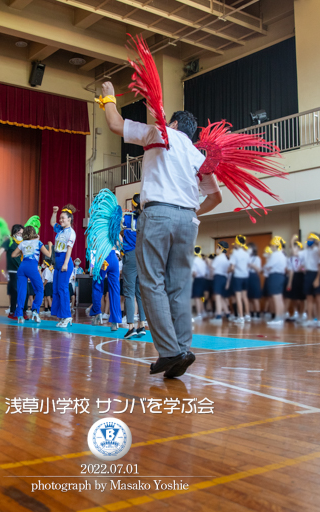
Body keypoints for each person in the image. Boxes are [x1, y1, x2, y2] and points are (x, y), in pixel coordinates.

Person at [101, 81, 222, 378]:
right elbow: (216, 196)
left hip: (158, 214)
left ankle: (170, 352)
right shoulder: (197, 155)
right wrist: (193, 211)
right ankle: (182, 348)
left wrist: (107, 98)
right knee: (178, 287)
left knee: (151, 281)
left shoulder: (160, 133)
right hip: (188, 220)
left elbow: (116, 124)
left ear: (175, 123)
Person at [121, 194, 148, 339]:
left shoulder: (127, 218)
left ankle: (131, 326)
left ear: (132, 205)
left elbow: (114, 227)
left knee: (129, 293)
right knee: (140, 293)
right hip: (143, 256)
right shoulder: (146, 218)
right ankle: (142, 325)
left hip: (131, 255)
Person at [11, 226, 51, 323]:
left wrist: (21, 253)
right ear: (34, 233)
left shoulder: (22, 243)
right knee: (40, 289)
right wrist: (49, 245)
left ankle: (19, 315)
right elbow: (49, 255)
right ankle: (35, 311)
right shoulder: (38, 242)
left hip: (22, 267)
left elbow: (13, 255)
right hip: (32, 267)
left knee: (21, 291)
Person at [49, 204, 77, 328]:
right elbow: (51, 223)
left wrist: (65, 263)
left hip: (65, 260)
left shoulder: (71, 232)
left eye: (63, 218)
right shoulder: (60, 230)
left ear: (69, 219)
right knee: (56, 289)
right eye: (60, 218)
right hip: (58, 260)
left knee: (63, 289)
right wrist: (54, 212)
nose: (60, 220)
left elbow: (69, 249)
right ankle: (61, 316)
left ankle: (67, 316)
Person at [1, 224, 24, 320]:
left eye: (22, 234)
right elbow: (1, 250)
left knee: (22, 291)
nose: (20, 235)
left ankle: (22, 311)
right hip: (13, 270)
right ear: (14, 232)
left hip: (22, 270)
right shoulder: (9, 241)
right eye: (18, 233)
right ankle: (12, 311)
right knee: (14, 291)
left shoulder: (24, 242)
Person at [264, 237, 288, 327]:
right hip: (281, 276)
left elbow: (268, 266)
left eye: (272, 245)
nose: (271, 247)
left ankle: (278, 317)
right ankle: (280, 317)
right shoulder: (282, 254)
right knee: (279, 297)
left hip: (275, 276)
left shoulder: (275, 254)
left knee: (276, 297)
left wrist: (267, 262)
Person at [229, 235, 250, 324]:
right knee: (245, 297)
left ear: (237, 243)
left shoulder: (235, 254)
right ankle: (248, 315)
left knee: (238, 297)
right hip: (246, 276)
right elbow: (248, 265)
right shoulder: (246, 253)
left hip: (238, 277)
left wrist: (228, 270)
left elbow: (232, 267)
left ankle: (240, 317)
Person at [209, 242, 231, 325]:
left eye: (218, 248)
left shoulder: (218, 258)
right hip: (224, 278)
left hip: (218, 277)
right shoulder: (226, 258)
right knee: (221, 297)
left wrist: (209, 263)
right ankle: (227, 313)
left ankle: (218, 316)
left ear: (221, 249)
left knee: (217, 297)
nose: (217, 249)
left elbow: (213, 267)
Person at [246, 243, 263, 319]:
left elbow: (259, 270)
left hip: (254, 277)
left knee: (255, 297)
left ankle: (258, 313)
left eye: (250, 248)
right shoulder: (245, 257)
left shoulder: (257, 258)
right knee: (248, 297)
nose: (248, 249)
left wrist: (252, 265)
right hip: (246, 276)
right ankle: (251, 312)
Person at [191, 246, 208, 321]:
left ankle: (199, 314)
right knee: (200, 297)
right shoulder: (201, 260)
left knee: (197, 297)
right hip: (203, 279)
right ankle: (203, 312)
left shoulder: (194, 260)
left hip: (197, 279)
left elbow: (194, 273)